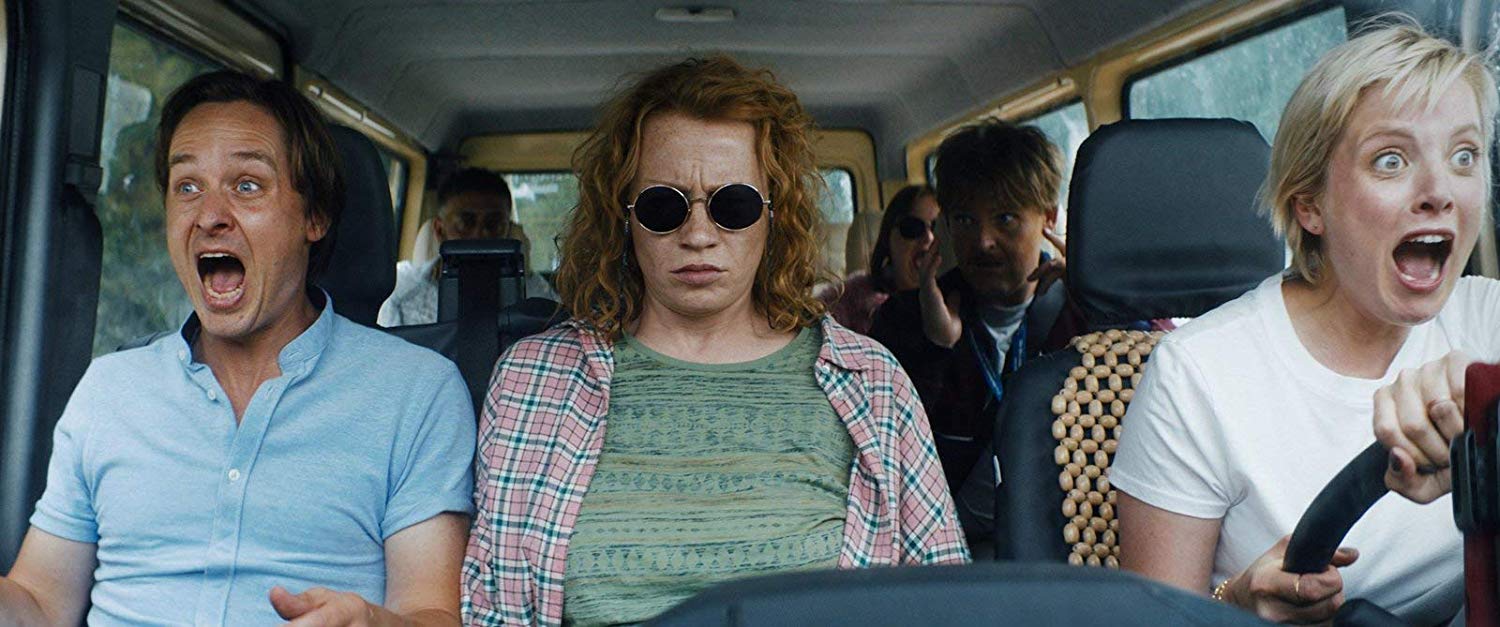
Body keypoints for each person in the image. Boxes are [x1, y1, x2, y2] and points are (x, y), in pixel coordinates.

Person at [461, 56, 968, 626]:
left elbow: (947, 600)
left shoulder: (871, 381)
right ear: (622, 218)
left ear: (774, 215)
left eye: (733, 205)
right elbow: (492, 609)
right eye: (663, 207)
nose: (698, 234)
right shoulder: (533, 380)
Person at [0, 71, 475, 626]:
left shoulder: (418, 392)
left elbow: (430, 612)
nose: (209, 216)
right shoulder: (109, 389)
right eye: (187, 187)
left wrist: (372, 623)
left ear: (314, 217)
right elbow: (38, 603)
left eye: (247, 185)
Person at [1112, 21, 1500, 625]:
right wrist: (1237, 603)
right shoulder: (1196, 375)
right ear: (1310, 206)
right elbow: (1158, 620)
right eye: (1391, 160)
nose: (1439, 191)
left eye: (1464, 156)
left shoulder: (1486, 317)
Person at [868, 119, 1078, 492]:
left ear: (1048, 217)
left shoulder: (1082, 313)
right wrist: (935, 349)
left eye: (1005, 219)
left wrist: (1098, 297)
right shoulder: (904, 318)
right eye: (965, 220)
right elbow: (880, 456)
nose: (983, 241)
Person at [378, 168, 557, 326]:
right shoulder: (400, 289)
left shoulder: (534, 295)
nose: (480, 235)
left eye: (494, 224)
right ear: (440, 231)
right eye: (464, 223)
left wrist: (523, 273)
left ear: (508, 230)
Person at [816, 184, 939, 334]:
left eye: (938, 228)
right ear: (888, 239)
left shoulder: (959, 302)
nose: (929, 238)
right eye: (912, 227)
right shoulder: (847, 302)